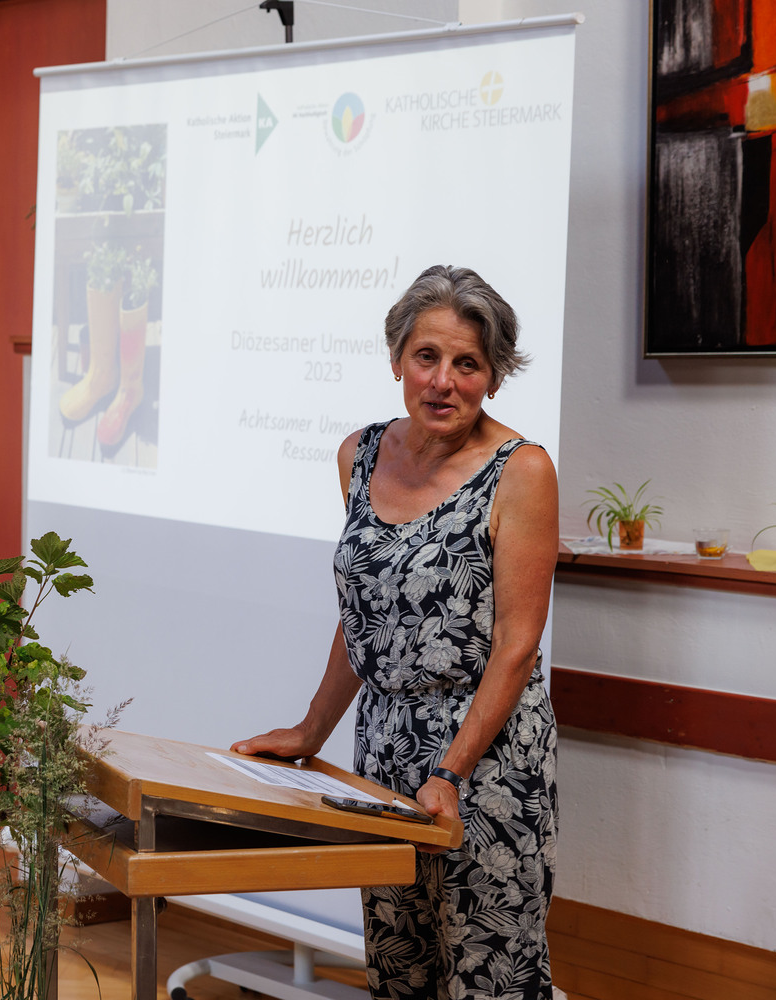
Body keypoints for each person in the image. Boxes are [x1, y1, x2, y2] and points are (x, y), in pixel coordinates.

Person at [233, 265, 559, 1000]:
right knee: (397, 967)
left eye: (468, 364)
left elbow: (516, 646)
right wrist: (311, 730)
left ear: (494, 378)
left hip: (486, 761)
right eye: (426, 357)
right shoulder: (359, 454)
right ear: (396, 360)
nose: (443, 381)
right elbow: (367, 617)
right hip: (381, 749)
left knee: (487, 976)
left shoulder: (523, 471)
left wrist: (450, 774)